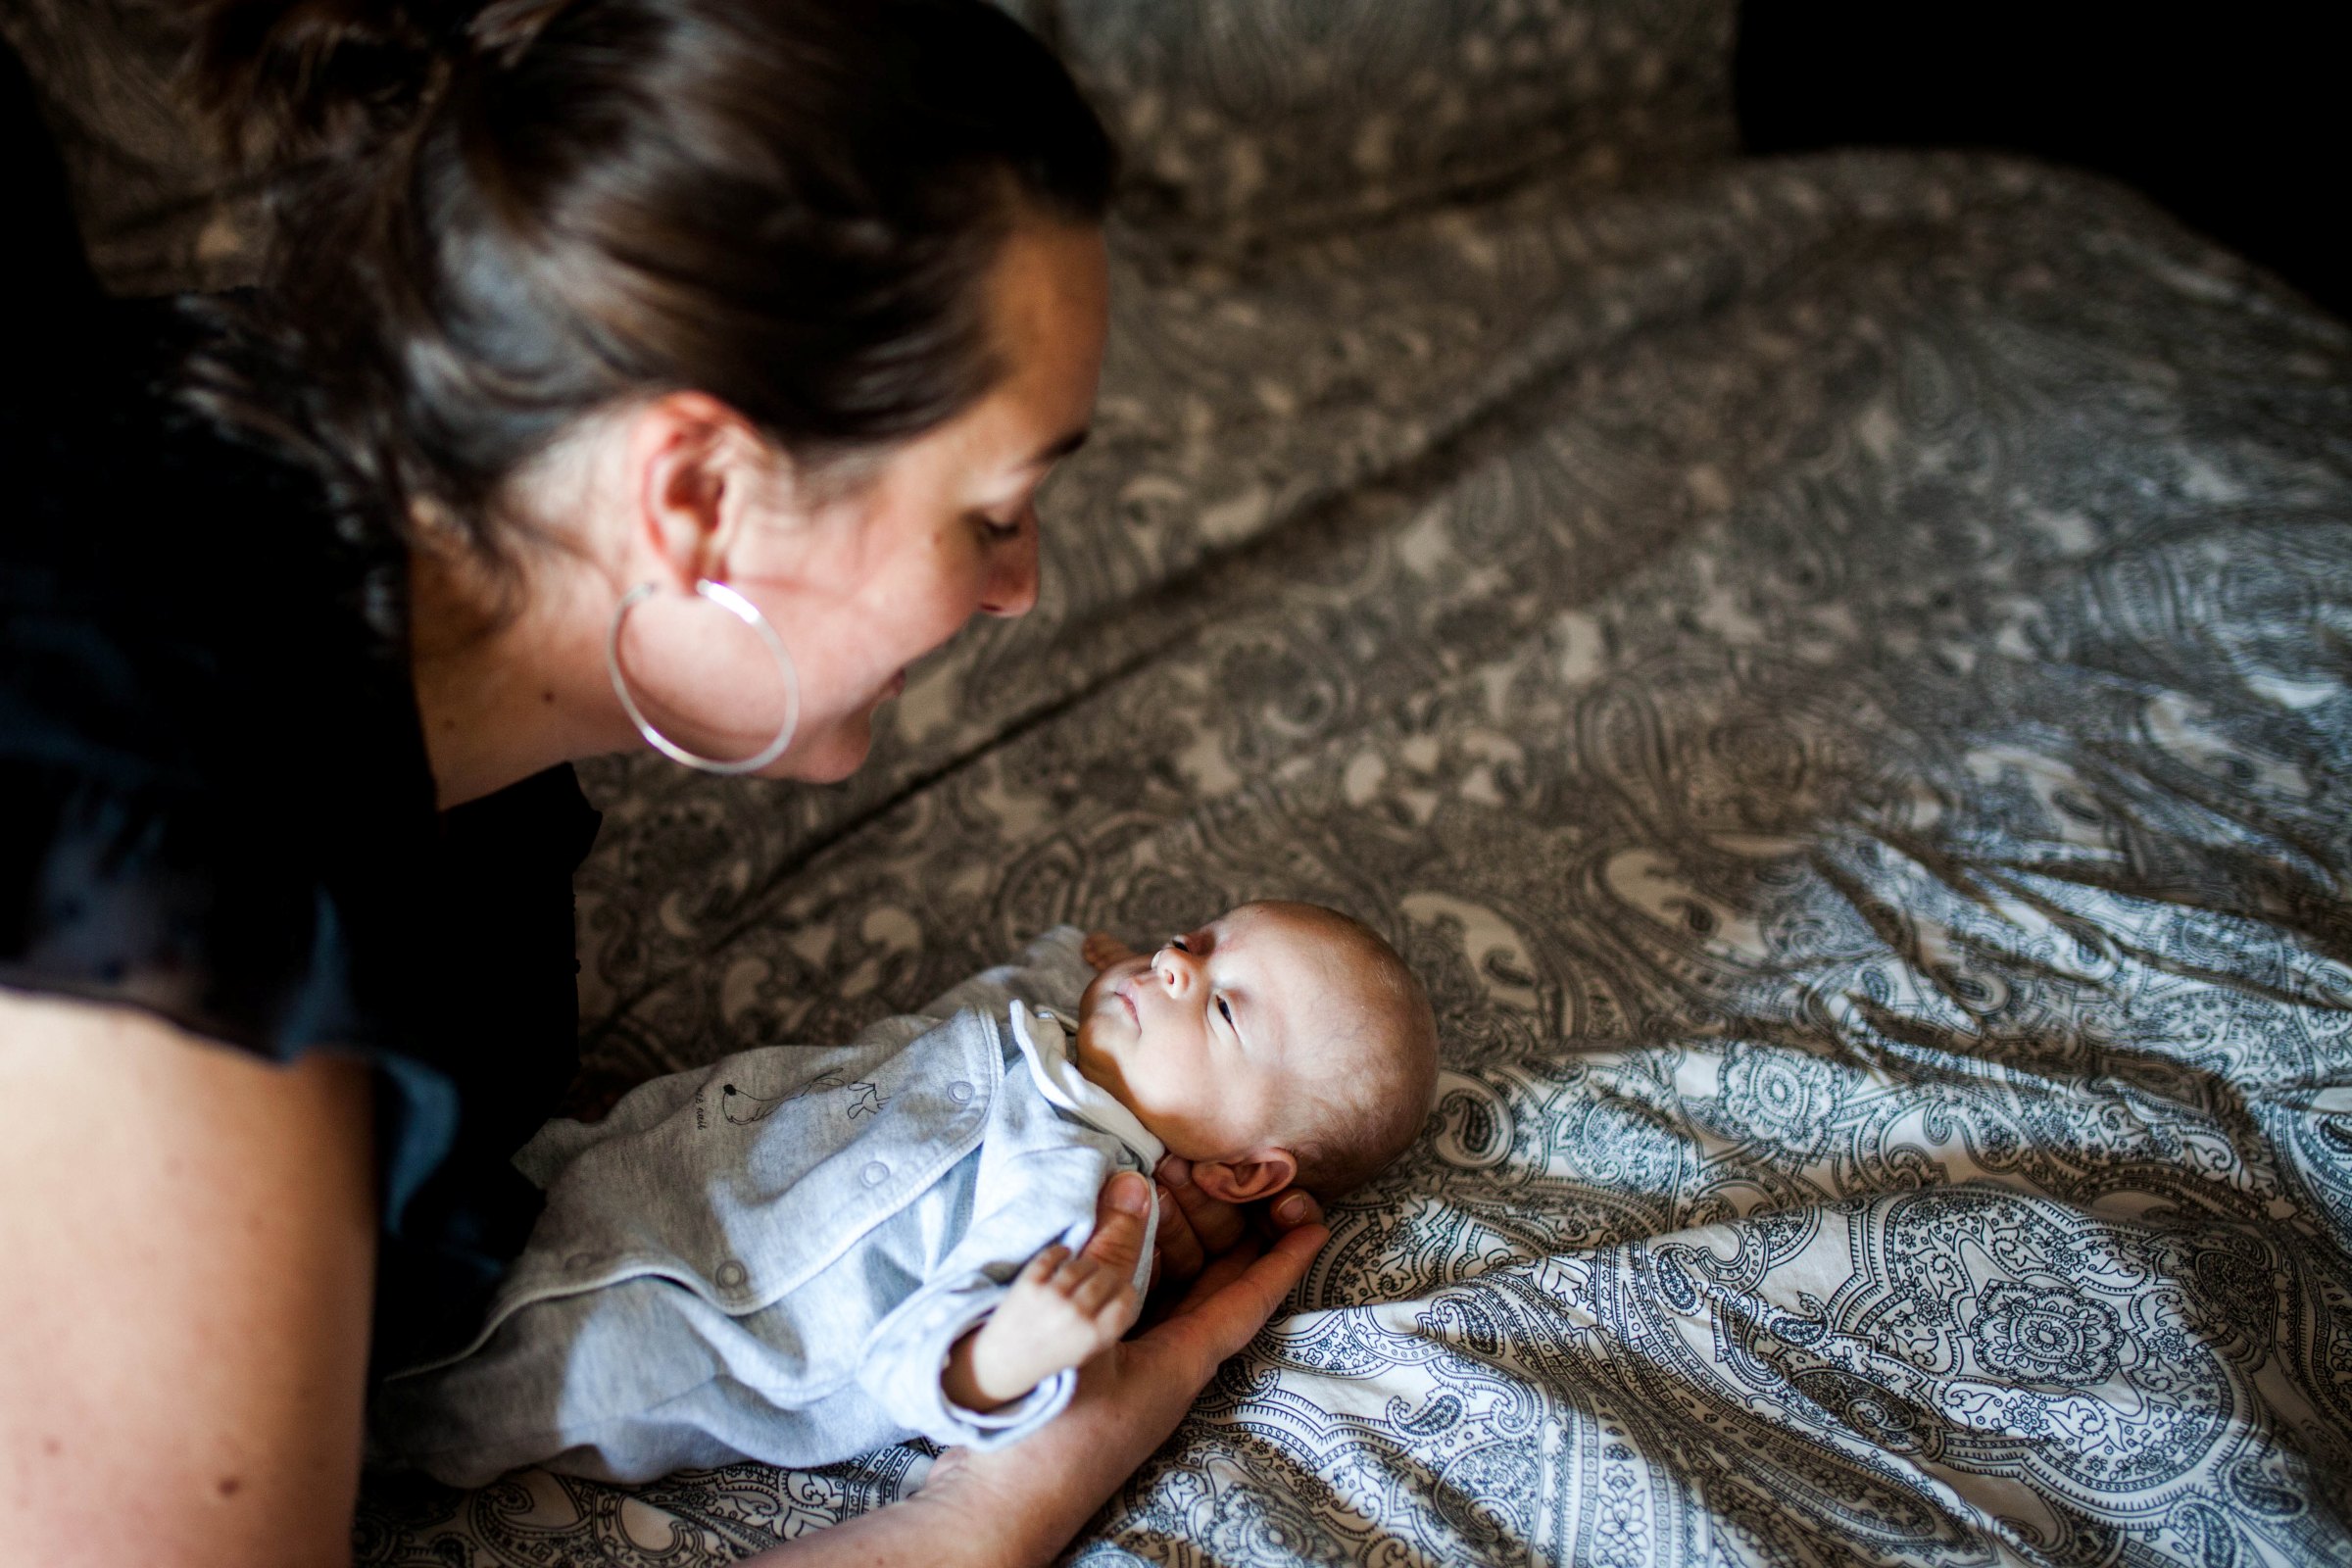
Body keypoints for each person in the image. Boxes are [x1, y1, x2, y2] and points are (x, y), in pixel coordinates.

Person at [0, 2, 1332, 1563]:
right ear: (695, 492)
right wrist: (983, 1517)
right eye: (993, 513)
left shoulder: (325, 457)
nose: (1021, 588)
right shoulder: (190, 890)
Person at [373, 907, 1439, 1486]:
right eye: (1199, 937)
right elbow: (1005, 988)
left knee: (381, 1388)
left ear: (1249, 1171)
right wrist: (1083, 959)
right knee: (366, 1230)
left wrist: (1005, 1356)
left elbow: (914, 1365)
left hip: (658, 1327)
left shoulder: (1087, 1189)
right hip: (612, 1177)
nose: (1173, 961)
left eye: (1221, 1010)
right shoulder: (1053, 1037)